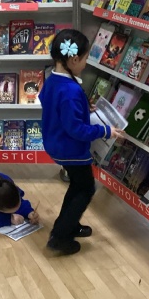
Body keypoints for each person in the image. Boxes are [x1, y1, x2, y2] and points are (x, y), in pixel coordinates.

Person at [38, 29, 124, 255]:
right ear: (74, 59)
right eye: (86, 58)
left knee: (78, 185)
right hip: (71, 150)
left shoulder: (52, 79)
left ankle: (69, 224)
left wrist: (82, 109)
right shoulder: (71, 91)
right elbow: (76, 129)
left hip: (55, 143)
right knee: (85, 188)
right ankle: (60, 237)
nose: (86, 64)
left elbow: (48, 101)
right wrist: (106, 130)